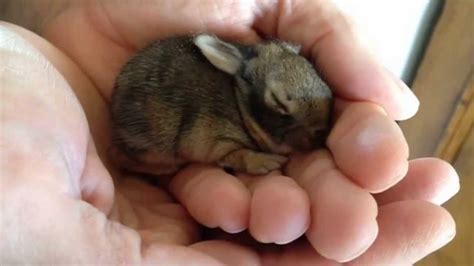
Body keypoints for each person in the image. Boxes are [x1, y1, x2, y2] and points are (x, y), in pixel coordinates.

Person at [0, 0, 459, 264]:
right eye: (282, 108)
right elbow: (205, 139)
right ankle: (149, 163)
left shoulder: (274, 73)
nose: (310, 132)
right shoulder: (218, 110)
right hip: (147, 129)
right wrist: (245, 158)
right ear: (242, 82)